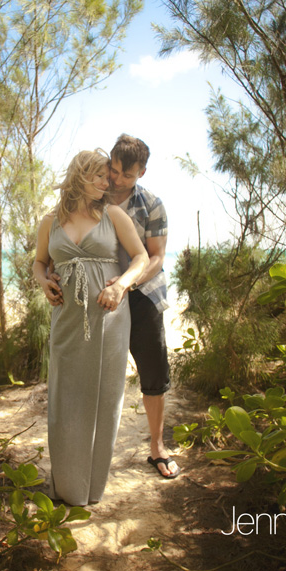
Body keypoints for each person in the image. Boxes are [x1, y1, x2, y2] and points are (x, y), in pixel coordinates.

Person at [44, 134, 181, 479]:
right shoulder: (95, 193)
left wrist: (124, 285)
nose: (116, 180)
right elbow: (63, 243)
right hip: (93, 300)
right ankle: (78, 462)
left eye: (125, 175)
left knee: (153, 372)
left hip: (141, 293)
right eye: (113, 171)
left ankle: (157, 447)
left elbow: (155, 257)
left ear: (141, 173)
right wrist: (50, 273)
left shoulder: (151, 204)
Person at [33, 149, 149, 506]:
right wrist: (43, 282)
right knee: (65, 400)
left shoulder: (112, 214)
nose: (106, 182)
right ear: (79, 175)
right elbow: (39, 262)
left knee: (104, 399)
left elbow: (142, 257)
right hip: (66, 321)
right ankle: (68, 488)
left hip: (109, 319)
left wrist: (121, 285)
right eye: (98, 175)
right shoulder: (50, 221)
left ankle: (92, 487)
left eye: (106, 176)